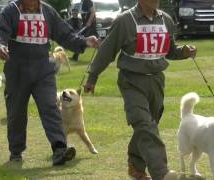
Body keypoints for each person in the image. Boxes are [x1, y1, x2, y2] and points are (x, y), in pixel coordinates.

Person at [84, 0, 196, 179]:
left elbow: (169, 51)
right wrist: (92, 76)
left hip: (157, 81)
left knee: (148, 126)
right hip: (132, 82)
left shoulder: (166, 20)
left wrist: (184, 52)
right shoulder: (124, 21)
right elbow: (107, 50)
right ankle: (162, 172)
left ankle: (135, 166)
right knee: (144, 124)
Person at [0, 0, 99, 165]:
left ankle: (59, 149)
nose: (33, 3)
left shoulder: (47, 11)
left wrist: (84, 42)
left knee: (50, 107)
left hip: (43, 71)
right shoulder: (11, 11)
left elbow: (65, 34)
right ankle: (16, 151)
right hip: (17, 71)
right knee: (16, 112)